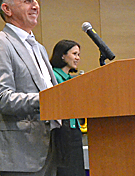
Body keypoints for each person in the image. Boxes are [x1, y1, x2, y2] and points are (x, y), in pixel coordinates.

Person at [0, 0, 61, 176]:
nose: (35, 6)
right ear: (7, 9)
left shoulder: (39, 48)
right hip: (21, 153)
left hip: (51, 146)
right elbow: (2, 99)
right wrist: (48, 99)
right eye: (27, 1)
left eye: (36, 0)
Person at [50, 40, 86, 176]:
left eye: (79, 54)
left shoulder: (71, 79)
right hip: (62, 131)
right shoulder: (53, 76)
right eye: (74, 54)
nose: (78, 58)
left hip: (75, 130)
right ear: (62, 56)